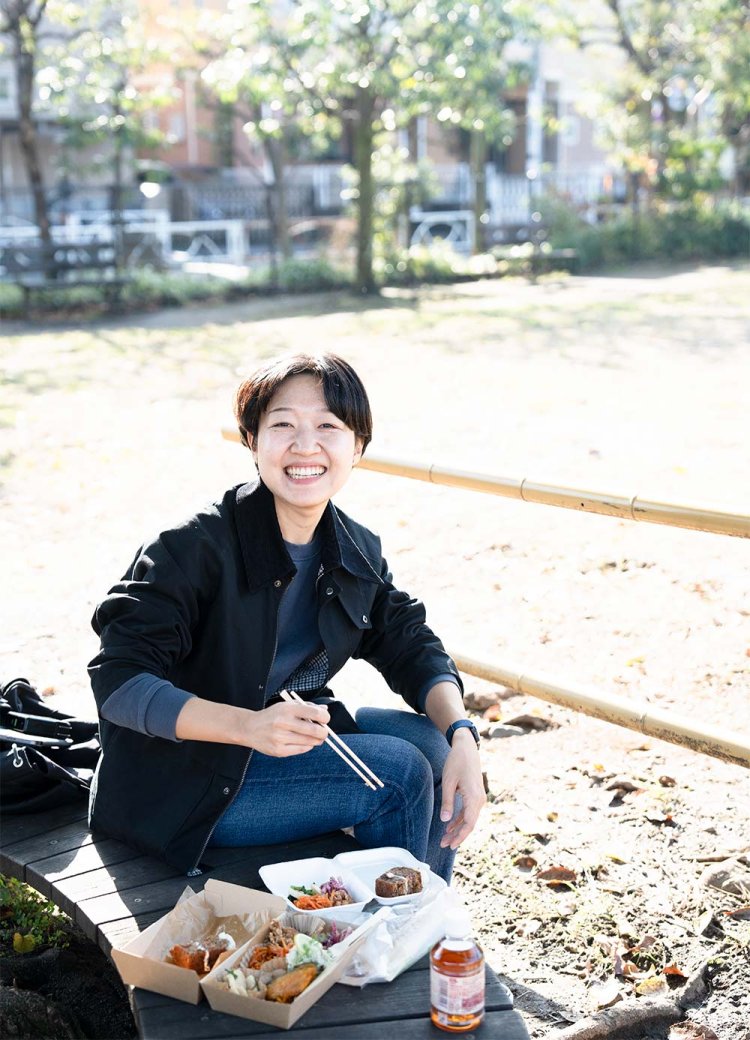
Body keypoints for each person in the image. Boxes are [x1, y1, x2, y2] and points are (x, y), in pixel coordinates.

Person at [88, 353, 485, 881]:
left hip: (275, 745)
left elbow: (409, 642)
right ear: (252, 441)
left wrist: (462, 733)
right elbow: (119, 682)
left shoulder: (354, 549)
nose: (305, 445)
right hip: (179, 782)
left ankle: (409, 920)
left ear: (358, 446)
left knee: (432, 746)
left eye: (328, 426)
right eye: (282, 425)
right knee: (400, 774)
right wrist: (249, 726)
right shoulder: (192, 546)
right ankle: (394, 937)